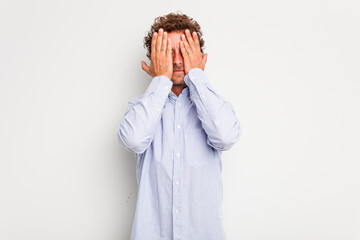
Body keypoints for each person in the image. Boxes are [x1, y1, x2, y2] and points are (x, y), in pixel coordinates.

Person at [117, 12, 241, 240]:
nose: (176, 60)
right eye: (168, 53)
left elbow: (226, 136)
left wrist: (196, 75)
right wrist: (161, 80)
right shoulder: (141, 107)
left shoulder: (213, 105)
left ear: (199, 57)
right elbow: (133, 140)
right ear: (155, 59)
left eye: (184, 52)